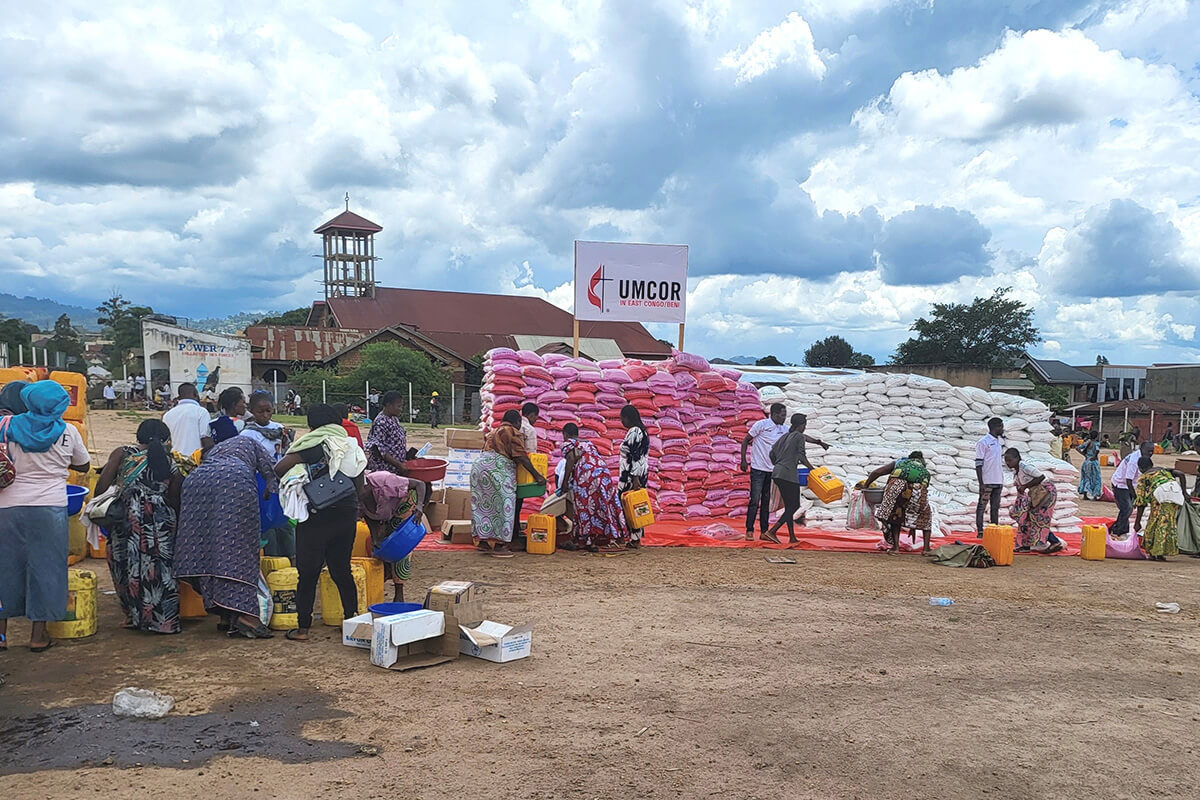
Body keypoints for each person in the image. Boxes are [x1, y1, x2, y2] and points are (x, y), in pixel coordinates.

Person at [0, 382, 91, 652]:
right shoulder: (68, 431)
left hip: (7, 507)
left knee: (5, 568)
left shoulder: (5, 426)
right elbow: (83, 465)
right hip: (50, 507)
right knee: (46, 569)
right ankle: (38, 637)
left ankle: (2, 637)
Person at [274, 404, 367, 642]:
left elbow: (280, 468)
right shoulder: (350, 446)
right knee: (341, 570)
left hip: (316, 515)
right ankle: (350, 620)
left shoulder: (313, 445)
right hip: (345, 514)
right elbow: (359, 485)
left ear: (312, 425)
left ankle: (303, 628)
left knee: (308, 572)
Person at [174, 436, 278, 639]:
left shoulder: (214, 453)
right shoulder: (251, 444)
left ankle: (224, 613)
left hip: (196, 482)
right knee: (238, 550)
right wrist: (270, 494)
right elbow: (272, 472)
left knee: (207, 548)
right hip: (235, 481)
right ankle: (247, 618)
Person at [95, 419, 183, 634]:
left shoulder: (122, 454)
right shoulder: (171, 463)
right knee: (160, 570)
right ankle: (163, 622)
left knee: (125, 566)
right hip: (161, 523)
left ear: (138, 436)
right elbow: (175, 499)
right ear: (166, 440)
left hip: (126, 520)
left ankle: (133, 617)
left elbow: (101, 487)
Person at [471, 409, 544, 555]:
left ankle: (483, 541)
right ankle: (500, 545)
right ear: (517, 422)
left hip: (478, 468)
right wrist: (537, 476)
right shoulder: (511, 432)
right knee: (505, 504)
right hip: (497, 469)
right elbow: (521, 457)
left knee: (485, 505)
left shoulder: (493, 432)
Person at [559, 424, 627, 551]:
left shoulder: (568, 443)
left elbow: (571, 459)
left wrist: (565, 483)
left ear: (565, 434)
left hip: (587, 476)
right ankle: (599, 538)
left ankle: (586, 541)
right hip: (603, 474)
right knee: (600, 505)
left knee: (585, 507)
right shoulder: (588, 443)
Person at [359, 471, 425, 602]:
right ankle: (385, 575)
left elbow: (420, 484)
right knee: (380, 546)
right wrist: (375, 538)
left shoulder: (384, 481)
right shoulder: (358, 501)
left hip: (403, 504)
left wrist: (419, 506)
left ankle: (399, 592)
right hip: (387, 514)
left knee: (401, 548)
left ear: (366, 486)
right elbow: (370, 519)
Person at [760, 414, 818, 544]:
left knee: (789, 507)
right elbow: (802, 456)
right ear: (801, 425)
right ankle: (772, 531)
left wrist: (778, 464)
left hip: (778, 473)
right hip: (788, 475)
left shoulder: (785, 436)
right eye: (804, 425)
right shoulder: (798, 436)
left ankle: (792, 537)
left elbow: (771, 453)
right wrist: (813, 470)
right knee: (795, 505)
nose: (805, 427)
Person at [865, 451, 933, 554]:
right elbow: (923, 488)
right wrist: (913, 526)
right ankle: (926, 549)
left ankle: (895, 548)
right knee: (925, 516)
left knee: (895, 515)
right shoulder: (923, 469)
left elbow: (877, 472)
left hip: (896, 487)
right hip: (917, 491)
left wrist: (866, 485)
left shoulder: (901, 462)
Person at [741, 404, 790, 541]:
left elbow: (798, 436)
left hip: (772, 471)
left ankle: (764, 531)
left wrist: (817, 441)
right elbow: (745, 441)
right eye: (782, 415)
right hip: (758, 469)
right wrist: (743, 460)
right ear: (773, 414)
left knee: (766, 501)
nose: (784, 418)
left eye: (785, 415)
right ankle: (749, 530)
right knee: (755, 500)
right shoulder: (761, 425)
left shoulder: (784, 429)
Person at [1004, 448, 1064, 554]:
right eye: (1006, 461)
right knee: (1028, 519)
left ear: (1017, 458)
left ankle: (1054, 542)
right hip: (1036, 495)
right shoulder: (1016, 471)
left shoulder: (1025, 467)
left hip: (1046, 493)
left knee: (1039, 519)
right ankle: (1025, 546)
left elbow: (1040, 477)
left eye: (1010, 460)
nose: (1008, 463)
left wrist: (1025, 486)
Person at [1134, 458, 1189, 561]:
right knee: (1168, 522)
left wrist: (1137, 522)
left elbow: (1141, 503)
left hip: (1160, 493)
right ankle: (1161, 552)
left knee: (1154, 521)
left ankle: (1154, 552)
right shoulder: (1163, 470)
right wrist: (1185, 492)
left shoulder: (1143, 477)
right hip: (1175, 493)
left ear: (1140, 468)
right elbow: (1181, 474)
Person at [618, 405, 650, 547]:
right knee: (635, 506)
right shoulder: (642, 431)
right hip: (636, 472)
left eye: (622, 418)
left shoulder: (634, 431)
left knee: (629, 505)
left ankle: (634, 538)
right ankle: (634, 537)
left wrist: (635, 478)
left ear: (628, 418)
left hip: (631, 475)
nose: (622, 421)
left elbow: (635, 455)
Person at [1112, 442, 1155, 536]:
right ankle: (1117, 530)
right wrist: (1135, 497)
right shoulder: (1134, 461)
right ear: (1141, 449)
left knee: (1127, 509)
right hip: (1121, 484)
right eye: (1149, 451)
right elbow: (1128, 481)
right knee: (1127, 508)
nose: (1151, 453)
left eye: (1152, 451)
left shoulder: (1144, 458)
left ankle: (1122, 529)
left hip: (1131, 484)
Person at [512, 402, 540, 540]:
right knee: (518, 502)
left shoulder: (510, 427)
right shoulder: (529, 429)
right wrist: (537, 475)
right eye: (536, 417)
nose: (535, 421)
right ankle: (515, 531)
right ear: (531, 415)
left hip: (506, 468)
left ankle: (512, 530)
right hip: (522, 469)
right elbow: (530, 454)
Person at [162, 383, 213, 458]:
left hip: (176, 460)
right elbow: (206, 439)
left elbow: (166, 441)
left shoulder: (168, 415)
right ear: (195, 394)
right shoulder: (201, 412)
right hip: (195, 461)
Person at [365, 391, 409, 476]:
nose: (401, 409)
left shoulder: (394, 419)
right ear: (389, 405)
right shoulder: (381, 422)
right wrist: (398, 464)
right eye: (399, 406)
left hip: (395, 468)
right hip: (384, 470)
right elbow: (378, 449)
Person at [974, 417, 1006, 537]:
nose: (1002, 429)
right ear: (995, 427)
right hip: (987, 481)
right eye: (1001, 426)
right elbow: (978, 463)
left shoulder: (999, 442)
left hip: (998, 480)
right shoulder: (983, 442)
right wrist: (981, 482)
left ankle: (994, 529)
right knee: (982, 506)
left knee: (995, 507)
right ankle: (980, 531)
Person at [240, 391, 292, 462]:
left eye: (268, 411)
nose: (265, 415)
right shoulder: (247, 434)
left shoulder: (279, 428)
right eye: (260, 412)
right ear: (251, 411)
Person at [1076, 431, 1102, 501]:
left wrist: (1085, 455)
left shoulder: (1087, 442)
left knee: (1086, 478)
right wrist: (1094, 456)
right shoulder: (1096, 443)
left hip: (1086, 461)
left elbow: (1078, 448)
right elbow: (1097, 451)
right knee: (1096, 478)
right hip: (1093, 463)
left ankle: (1085, 494)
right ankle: (1095, 495)